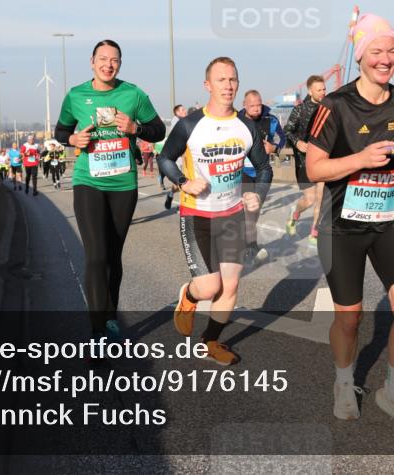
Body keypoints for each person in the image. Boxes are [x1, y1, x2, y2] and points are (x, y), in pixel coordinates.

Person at [305, 13, 394, 437]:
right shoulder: (334, 105)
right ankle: (344, 381)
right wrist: (360, 159)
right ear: (360, 56)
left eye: (392, 50)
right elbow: (314, 167)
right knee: (350, 318)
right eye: (376, 51)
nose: (385, 59)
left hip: (389, 219)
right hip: (342, 226)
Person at [159, 57, 272, 366]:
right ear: (207, 85)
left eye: (232, 79)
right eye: (221, 80)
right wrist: (183, 182)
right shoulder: (190, 124)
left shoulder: (246, 126)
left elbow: (264, 167)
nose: (228, 85)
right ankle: (189, 296)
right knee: (211, 286)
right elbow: (165, 158)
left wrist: (257, 195)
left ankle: (210, 342)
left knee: (231, 284)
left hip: (232, 214)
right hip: (197, 215)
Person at [54, 40, 166, 340]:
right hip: (88, 181)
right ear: (92, 62)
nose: (108, 64)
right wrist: (73, 140)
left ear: (120, 64)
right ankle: (97, 332)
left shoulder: (133, 94)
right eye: (102, 59)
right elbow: (61, 131)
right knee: (96, 255)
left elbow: (159, 130)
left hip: (123, 183)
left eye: (114, 60)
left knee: (113, 255)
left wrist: (135, 129)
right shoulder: (76, 95)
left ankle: (110, 315)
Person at [238, 89, 286, 264]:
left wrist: (274, 148)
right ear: (244, 105)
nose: (256, 109)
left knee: (254, 209)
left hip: (262, 171)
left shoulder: (271, 120)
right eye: (252, 106)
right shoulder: (236, 121)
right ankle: (249, 245)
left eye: (259, 105)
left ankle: (249, 244)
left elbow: (283, 139)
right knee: (246, 209)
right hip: (242, 171)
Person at [284, 75, 327, 246]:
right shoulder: (300, 109)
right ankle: (295, 213)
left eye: (324, 89)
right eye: (319, 90)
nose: (323, 92)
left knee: (321, 198)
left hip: (323, 159)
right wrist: (297, 142)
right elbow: (287, 130)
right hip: (303, 161)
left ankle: (314, 233)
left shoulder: (328, 108)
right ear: (310, 91)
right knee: (310, 199)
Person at [163, 105, 188, 210]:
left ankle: (170, 195)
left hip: (187, 156)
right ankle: (183, 205)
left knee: (182, 182)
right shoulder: (175, 122)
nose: (185, 111)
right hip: (179, 157)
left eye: (185, 109)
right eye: (182, 109)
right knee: (183, 181)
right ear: (177, 113)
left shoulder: (184, 121)